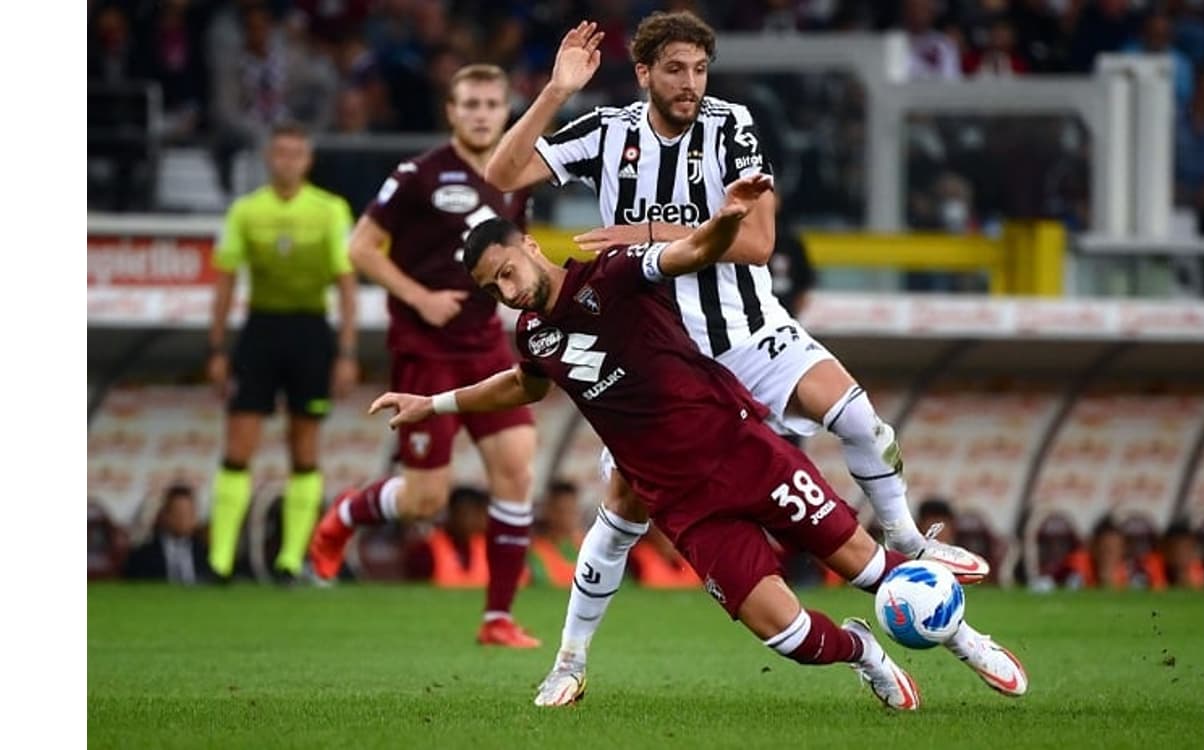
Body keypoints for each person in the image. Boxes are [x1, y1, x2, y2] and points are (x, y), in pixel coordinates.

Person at [481, 13, 990, 703]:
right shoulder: (608, 131)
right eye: (674, 70)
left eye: (698, 69)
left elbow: (757, 243)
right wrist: (554, 91)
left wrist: (644, 229)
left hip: (746, 330)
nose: (689, 84)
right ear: (644, 74)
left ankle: (907, 540)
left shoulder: (731, 125)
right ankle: (570, 660)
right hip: (661, 352)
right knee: (623, 512)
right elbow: (500, 172)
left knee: (859, 417)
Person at [368, 184, 1028, 711]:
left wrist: (726, 219)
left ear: (529, 247)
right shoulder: (534, 337)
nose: (507, 293)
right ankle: (863, 653)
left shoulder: (616, 274)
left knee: (867, 566)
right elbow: (523, 385)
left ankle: (967, 640)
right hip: (686, 510)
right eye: (493, 290)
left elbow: (685, 254)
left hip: (747, 456)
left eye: (507, 274)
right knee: (790, 636)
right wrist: (434, 403)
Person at [307, 63, 541, 648]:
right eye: (471, 103)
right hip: (424, 347)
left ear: (506, 109)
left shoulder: (516, 175)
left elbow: (518, 256)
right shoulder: (418, 173)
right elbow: (359, 247)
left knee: (516, 471)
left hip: (487, 344)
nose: (483, 112)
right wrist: (419, 297)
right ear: (452, 111)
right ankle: (345, 515)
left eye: (492, 103)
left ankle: (497, 619)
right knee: (425, 500)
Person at [207, 120, 358, 584]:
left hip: (311, 332)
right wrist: (217, 348)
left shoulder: (330, 210)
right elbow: (226, 281)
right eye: (281, 153)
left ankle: (291, 559)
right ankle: (219, 562)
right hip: (260, 330)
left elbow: (346, 283)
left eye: (297, 153)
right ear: (270, 158)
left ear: (308, 160)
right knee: (239, 444)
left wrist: (347, 352)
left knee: (305, 446)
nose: (288, 160)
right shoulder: (246, 211)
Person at [124, 484, 213, 585]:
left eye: (189, 513)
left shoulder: (208, 555)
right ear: (164, 515)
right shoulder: (142, 556)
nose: (184, 520)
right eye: (178, 513)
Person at [429, 486, 491, 588]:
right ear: (453, 513)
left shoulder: (489, 546)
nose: (478, 520)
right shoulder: (427, 549)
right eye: (469, 513)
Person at [527, 480, 585, 588]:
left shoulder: (587, 546)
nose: (568, 517)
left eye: (571, 511)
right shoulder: (535, 549)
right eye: (562, 511)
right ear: (548, 510)